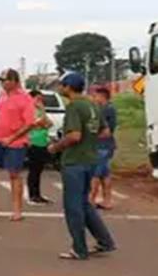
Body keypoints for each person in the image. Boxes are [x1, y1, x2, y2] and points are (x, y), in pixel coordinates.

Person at [48, 72, 117, 260]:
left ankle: (79, 248)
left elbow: (74, 135)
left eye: (62, 85)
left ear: (68, 87)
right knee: (85, 204)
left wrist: (55, 147)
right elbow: (105, 132)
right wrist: (90, 139)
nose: (60, 88)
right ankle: (105, 240)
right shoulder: (92, 105)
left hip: (75, 161)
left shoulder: (74, 107)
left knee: (73, 206)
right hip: (91, 159)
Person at [0, 70, 38, 222]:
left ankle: (17, 210)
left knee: (14, 174)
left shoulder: (25, 99)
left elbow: (29, 123)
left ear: (14, 81)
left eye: (5, 80)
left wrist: (12, 137)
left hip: (15, 141)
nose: (2, 83)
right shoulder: (2, 96)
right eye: (1, 81)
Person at [89, 87, 118, 210]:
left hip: (102, 145)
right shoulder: (107, 109)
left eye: (95, 96)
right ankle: (107, 200)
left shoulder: (106, 110)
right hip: (105, 145)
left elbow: (107, 131)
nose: (94, 99)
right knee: (104, 174)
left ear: (102, 96)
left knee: (95, 174)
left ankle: (91, 200)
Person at [25, 93, 54, 205]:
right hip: (33, 141)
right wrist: (42, 123)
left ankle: (37, 194)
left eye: (41, 99)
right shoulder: (30, 110)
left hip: (42, 141)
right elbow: (37, 123)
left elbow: (49, 124)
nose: (40, 101)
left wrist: (43, 111)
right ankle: (32, 195)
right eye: (37, 98)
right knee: (34, 170)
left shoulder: (40, 111)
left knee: (38, 170)